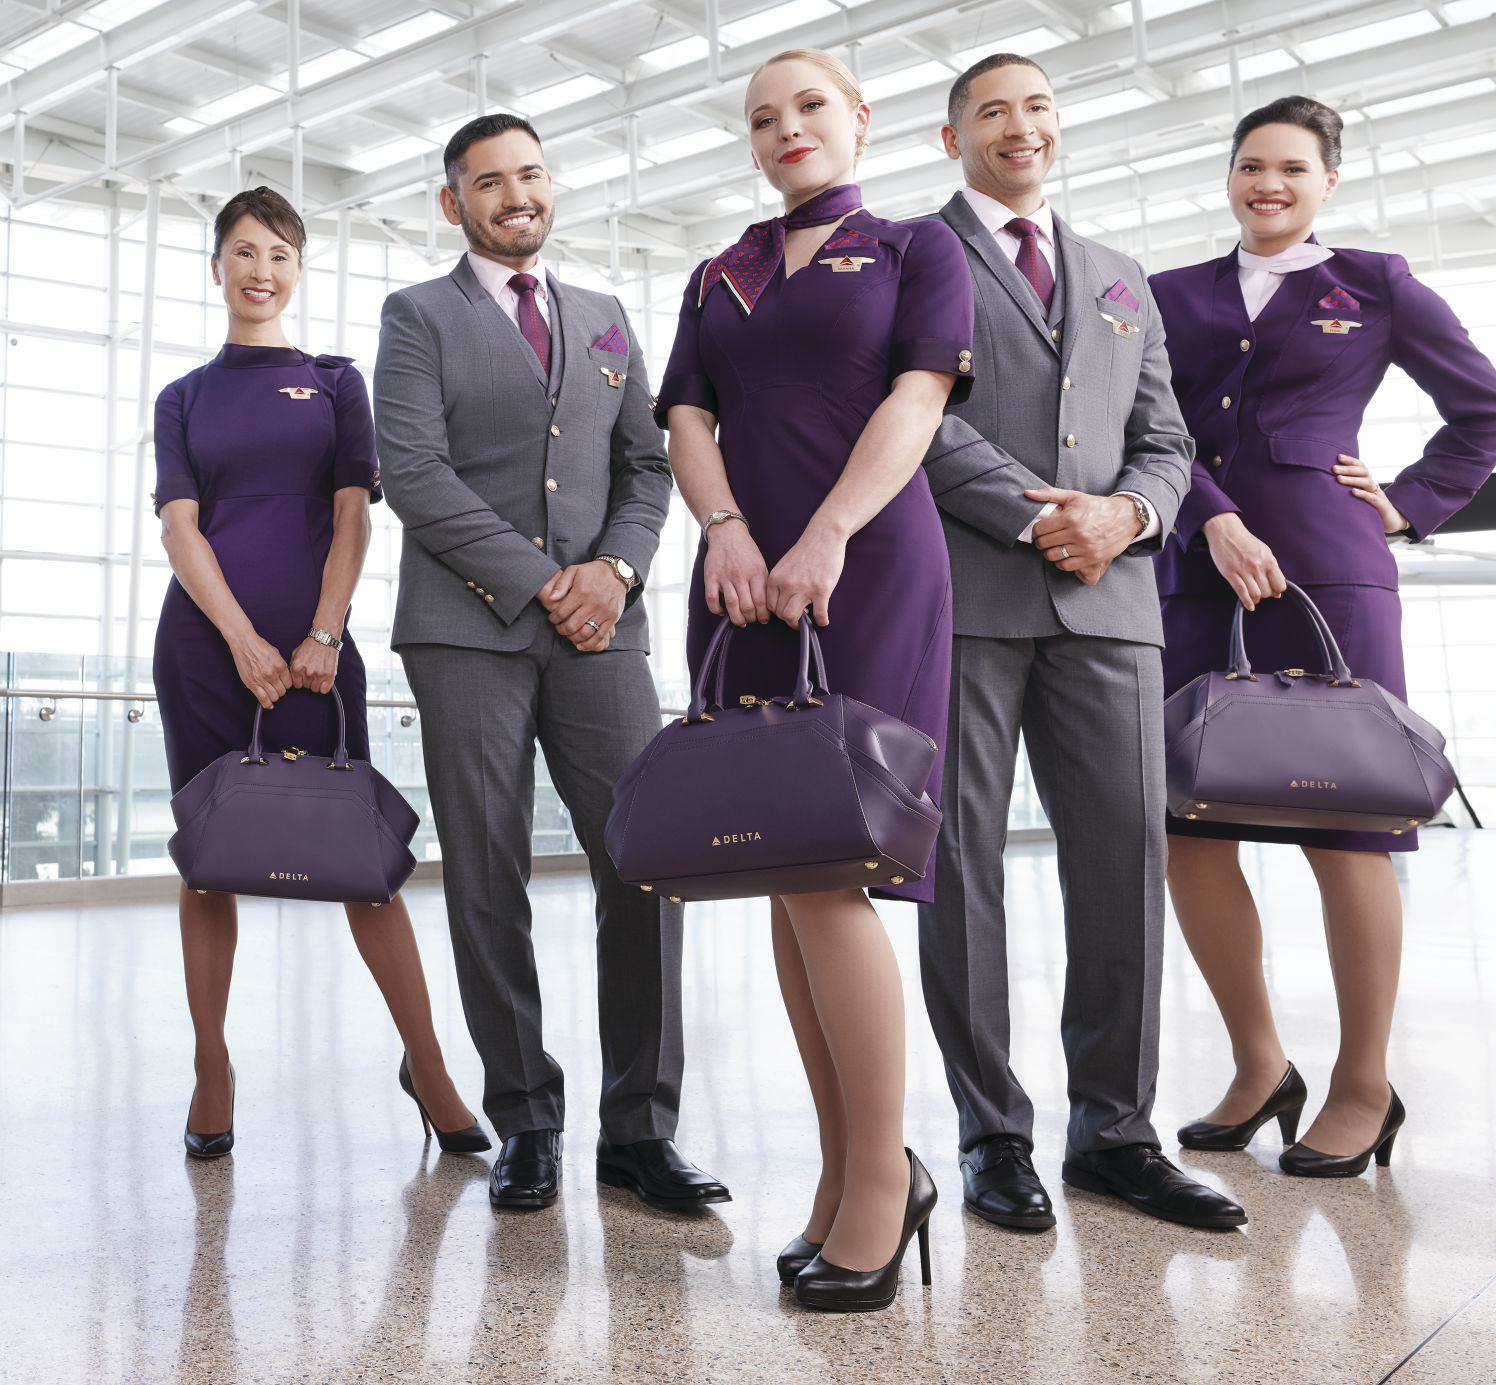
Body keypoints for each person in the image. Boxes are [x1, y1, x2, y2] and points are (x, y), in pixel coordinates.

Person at [657, 48, 968, 1311]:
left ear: (859, 120)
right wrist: (723, 523)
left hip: (868, 562)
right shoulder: (718, 271)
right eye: (762, 117)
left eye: (809, 107)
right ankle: (852, 1168)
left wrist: (827, 530)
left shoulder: (909, 248)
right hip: (738, 578)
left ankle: (883, 1184)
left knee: (836, 867)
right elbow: (684, 415)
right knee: (779, 872)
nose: (786, 129)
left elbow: (919, 395)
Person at [916, 54, 1247, 1230]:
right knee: (956, 873)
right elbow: (912, 414)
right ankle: (990, 1131)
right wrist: (1038, 512)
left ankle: (1114, 1130)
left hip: (1111, 604)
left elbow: (1166, 436)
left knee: (1120, 865)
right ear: (951, 135)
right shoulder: (917, 256)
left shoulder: (1116, 278)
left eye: (1038, 105)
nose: (1020, 124)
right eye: (992, 109)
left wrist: (1127, 515)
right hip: (966, 597)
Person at [374, 115, 727, 1215]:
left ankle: (640, 1128)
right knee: (486, 872)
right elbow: (416, 473)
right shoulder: (418, 315)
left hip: (603, 632)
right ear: (454, 203)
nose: (514, 194)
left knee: (647, 859)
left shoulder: (606, 317)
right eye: (489, 181)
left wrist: (614, 572)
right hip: (465, 630)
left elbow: (647, 466)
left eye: (529, 174)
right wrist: (543, 579)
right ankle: (525, 1114)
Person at [1149, 96, 1496, 1176]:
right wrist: (1209, 508)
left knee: (1346, 827)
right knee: (1184, 823)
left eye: (1291, 168)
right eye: (1250, 164)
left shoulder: (1377, 285)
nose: (1268, 183)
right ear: (1228, 175)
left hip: (1332, 572)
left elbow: (1483, 410)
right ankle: (1259, 1065)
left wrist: (1405, 501)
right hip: (1194, 574)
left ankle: (1361, 1081)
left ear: (1326, 181)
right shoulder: (1165, 295)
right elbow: (1144, 422)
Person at [154, 187, 486, 1160]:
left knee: (363, 863)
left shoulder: (336, 380)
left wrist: (322, 633)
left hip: (316, 651)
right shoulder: (182, 396)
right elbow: (181, 528)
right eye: (244, 252)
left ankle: (426, 1064)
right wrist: (241, 641)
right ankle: (211, 1064)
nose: (262, 269)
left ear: (297, 270)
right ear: (216, 267)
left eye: (281, 255)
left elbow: (353, 514)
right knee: (205, 859)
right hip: (207, 652)